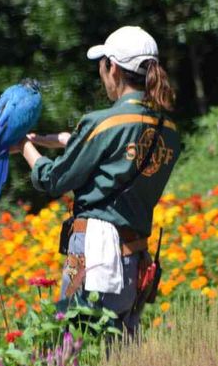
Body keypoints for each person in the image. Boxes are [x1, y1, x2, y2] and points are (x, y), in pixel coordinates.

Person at [11, 25, 180, 336]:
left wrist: (24, 146)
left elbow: (53, 179)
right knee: (119, 350)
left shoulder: (101, 123)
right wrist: (61, 140)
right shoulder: (168, 129)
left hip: (97, 254)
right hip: (137, 257)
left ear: (112, 67)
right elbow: (121, 156)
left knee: (75, 342)